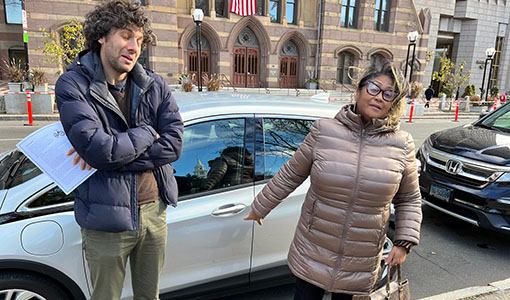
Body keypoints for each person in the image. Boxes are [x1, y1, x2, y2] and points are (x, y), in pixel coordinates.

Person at [244, 62, 422, 300]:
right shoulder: (324, 131)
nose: (379, 97)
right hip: (314, 244)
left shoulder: (402, 144)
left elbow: (409, 198)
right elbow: (291, 173)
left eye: (388, 93)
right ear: (357, 92)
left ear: (393, 103)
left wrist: (404, 243)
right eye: (373, 88)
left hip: (361, 254)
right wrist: (259, 207)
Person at [55, 1, 183, 299]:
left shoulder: (156, 85)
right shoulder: (73, 85)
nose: (134, 46)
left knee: (149, 296)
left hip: (154, 211)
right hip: (104, 219)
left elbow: (174, 143)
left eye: (139, 40)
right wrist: (149, 132)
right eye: (126, 35)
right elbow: (101, 152)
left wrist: (111, 156)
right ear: (102, 35)